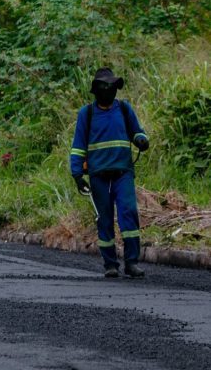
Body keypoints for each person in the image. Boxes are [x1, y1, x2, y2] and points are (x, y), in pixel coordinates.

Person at [70, 68, 150, 278]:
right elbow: (78, 147)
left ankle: (131, 262)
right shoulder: (86, 114)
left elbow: (137, 131)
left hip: (123, 172)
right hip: (98, 175)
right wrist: (78, 175)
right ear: (96, 90)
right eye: (105, 86)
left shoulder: (124, 109)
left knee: (128, 214)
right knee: (104, 219)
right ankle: (110, 264)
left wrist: (141, 139)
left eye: (112, 86)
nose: (109, 90)